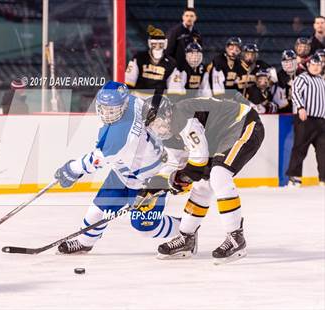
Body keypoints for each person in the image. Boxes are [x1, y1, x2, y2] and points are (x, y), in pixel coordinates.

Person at [54, 81, 181, 254]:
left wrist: (72, 169)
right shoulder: (133, 100)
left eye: (113, 110)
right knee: (97, 211)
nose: (108, 114)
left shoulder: (122, 136)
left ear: (124, 104)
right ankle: (85, 241)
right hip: (123, 173)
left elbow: (96, 160)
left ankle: (185, 231)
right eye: (105, 108)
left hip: (149, 180)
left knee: (145, 226)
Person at [140, 95, 264, 264]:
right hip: (217, 137)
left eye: (159, 122)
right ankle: (186, 238)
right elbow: (174, 164)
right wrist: (152, 188)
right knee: (201, 186)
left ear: (168, 113)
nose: (159, 129)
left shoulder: (182, 116)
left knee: (219, 175)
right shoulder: (169, 134)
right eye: (153, 126)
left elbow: (198, 162)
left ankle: (236, 238)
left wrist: (180, 178)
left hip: (243, 124)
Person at [286, 54, 325, 187]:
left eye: (318, 65)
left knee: (323, 151)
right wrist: (301, 107)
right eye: (313, 65)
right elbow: (295, 93)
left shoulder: (322, 80)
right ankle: (294, 178)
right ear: (308, 65)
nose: (316, 67)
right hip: (305, 119)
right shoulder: (302, 78)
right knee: (300, 148)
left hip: (321, 121)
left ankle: (323, 179)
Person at [125, 25, 185, 99]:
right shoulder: (139, 58)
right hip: (138, 98)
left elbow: (175, 88)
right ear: (150, 43)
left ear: (165, 44)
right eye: (154, 44)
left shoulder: (171, 62)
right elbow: (129, 80)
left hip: (160, 100)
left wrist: (171, 102)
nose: (157, 46)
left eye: (160, 44)